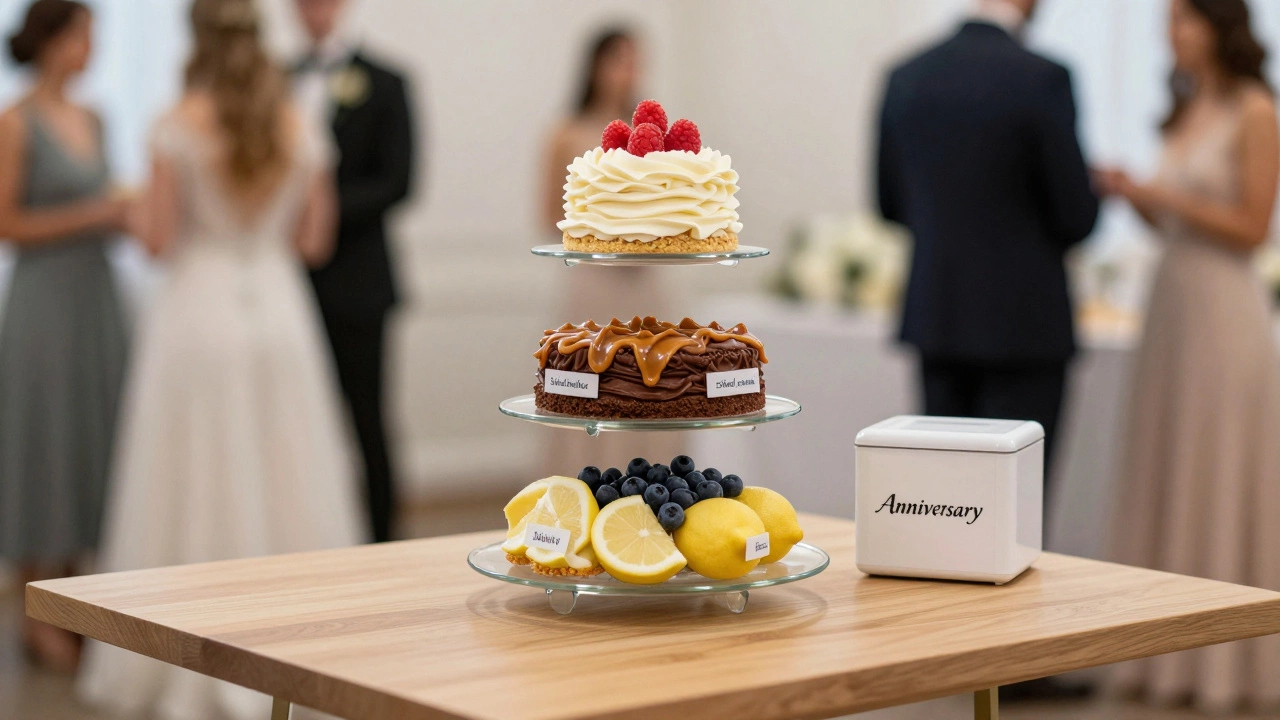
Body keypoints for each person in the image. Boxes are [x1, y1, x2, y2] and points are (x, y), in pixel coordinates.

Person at [77, 0, 361, 716]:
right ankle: (298, 648)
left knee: (197, 474)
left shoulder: (175, 126)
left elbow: (156, 240)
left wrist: (131, 207)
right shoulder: (298, 125)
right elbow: (313, 243)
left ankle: (190, 649)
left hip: (198, 315)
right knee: (285, 470)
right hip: (278, 312)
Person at [1098, 0, 1280, 711]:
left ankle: (1228, 664)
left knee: (1218, 467)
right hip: (1171, 306)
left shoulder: (1255, 110)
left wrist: (1155, 191)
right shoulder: (1185, 108)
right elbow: (1173, 212)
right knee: (1171, 463)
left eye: (1183, 20)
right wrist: (1132, 197)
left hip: (1223, 311)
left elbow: (1252, 226)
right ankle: (1164, 654)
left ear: (1218, 25)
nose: (1171, 34)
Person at [875, 0, 1099, 484]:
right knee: (1015, 502)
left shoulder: (906, 74)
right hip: (1025, 325)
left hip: (939, 315)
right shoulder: (1043, 77)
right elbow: (1076, 216)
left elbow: (888, 204)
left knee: (945, 495)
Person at [0, 0, 130, 673]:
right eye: (83, 36)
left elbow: (111, 201)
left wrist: (126, 213)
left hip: (98, 295)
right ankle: (32, 605)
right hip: (44, 303)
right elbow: (7, 225)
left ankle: (78, 599)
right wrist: (93, 212)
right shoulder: (15, 122)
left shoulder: (97, 119)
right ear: (52, 41)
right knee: (43, 440)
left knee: (91, 434)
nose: (91, 49)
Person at [293, 0, 415, 543]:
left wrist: (318, 214)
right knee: (293, 420)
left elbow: (399, 181)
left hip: (359, 281)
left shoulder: (387, 81)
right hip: (287, 284)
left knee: (368, 420)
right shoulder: (273, 82)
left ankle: (382, 539)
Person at [539, 28, 680, 475]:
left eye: (635, 61)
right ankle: (588, 488)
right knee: (592, 386)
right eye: (617, 60)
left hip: (648, 280)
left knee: (650, 383)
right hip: (594, 281)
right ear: (595, 66)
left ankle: (655, 488)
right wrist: (608, 230)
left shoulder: (656, 134)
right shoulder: (566, 132)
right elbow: (550, 213)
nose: (626, 72)